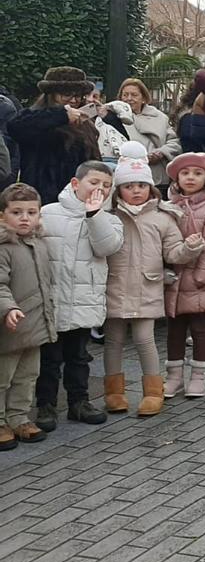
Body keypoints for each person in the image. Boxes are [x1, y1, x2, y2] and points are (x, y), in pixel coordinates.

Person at [103, 143, 203, 417]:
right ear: (118, 189)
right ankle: (113, 391)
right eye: (129, 185)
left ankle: (153, 392)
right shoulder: (109, 216)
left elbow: (173, 252)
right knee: (113, 340)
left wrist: (190, 247)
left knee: (145, 339)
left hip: (148, 286)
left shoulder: (162, 217)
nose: (136, 191)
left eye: (141, 185)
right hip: (114, 285)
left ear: (150, 187)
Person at [34, 161, 122, 432]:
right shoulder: (48, 213)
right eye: (93, 183)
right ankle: (46, 405)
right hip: (53, 300)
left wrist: (95, 215)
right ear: (75, 184)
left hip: (85, 300)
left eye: (106, 186)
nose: (100, 189)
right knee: (48, 359)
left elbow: (106, 246)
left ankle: (79, 402)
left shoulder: (110, 220)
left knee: (79, 357)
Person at [163, 153, 205, 401]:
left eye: (197, 173)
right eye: (186, 173)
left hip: (200, 281)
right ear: (177, 178)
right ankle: (174, 376)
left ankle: (199, 375)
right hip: (174, 279)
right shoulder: (169, 208)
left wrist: (202, 277)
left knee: (200, 329)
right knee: (174, 330)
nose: (191, 177)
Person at [0, 183, 56, 448]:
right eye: (17, 212)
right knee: (3, 377)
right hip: (8, 327)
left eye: (31, 212)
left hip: (34, 325)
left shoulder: (40, 244)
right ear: (3, 216)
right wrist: (8, 308)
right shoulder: (3, 247)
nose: (25, 218)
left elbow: (46, 283)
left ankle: (18, 417)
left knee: (27, 375)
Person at [8, 67, 101, 206]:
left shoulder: (85, 124)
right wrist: (61, 115)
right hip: (42, 199)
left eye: (78, 95)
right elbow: (15, 127)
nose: (74, 100)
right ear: (51, 94)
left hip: (77, 199)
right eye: (67, 94)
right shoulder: (35, 116)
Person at [117, 78, 181, 187]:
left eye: (134, 95)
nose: (129, 98)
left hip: (156, 176)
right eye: (125, 95)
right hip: (127, 178)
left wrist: (161, 153)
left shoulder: (160, 118)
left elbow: (174, 142)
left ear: (143, 98)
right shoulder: (113, 119)